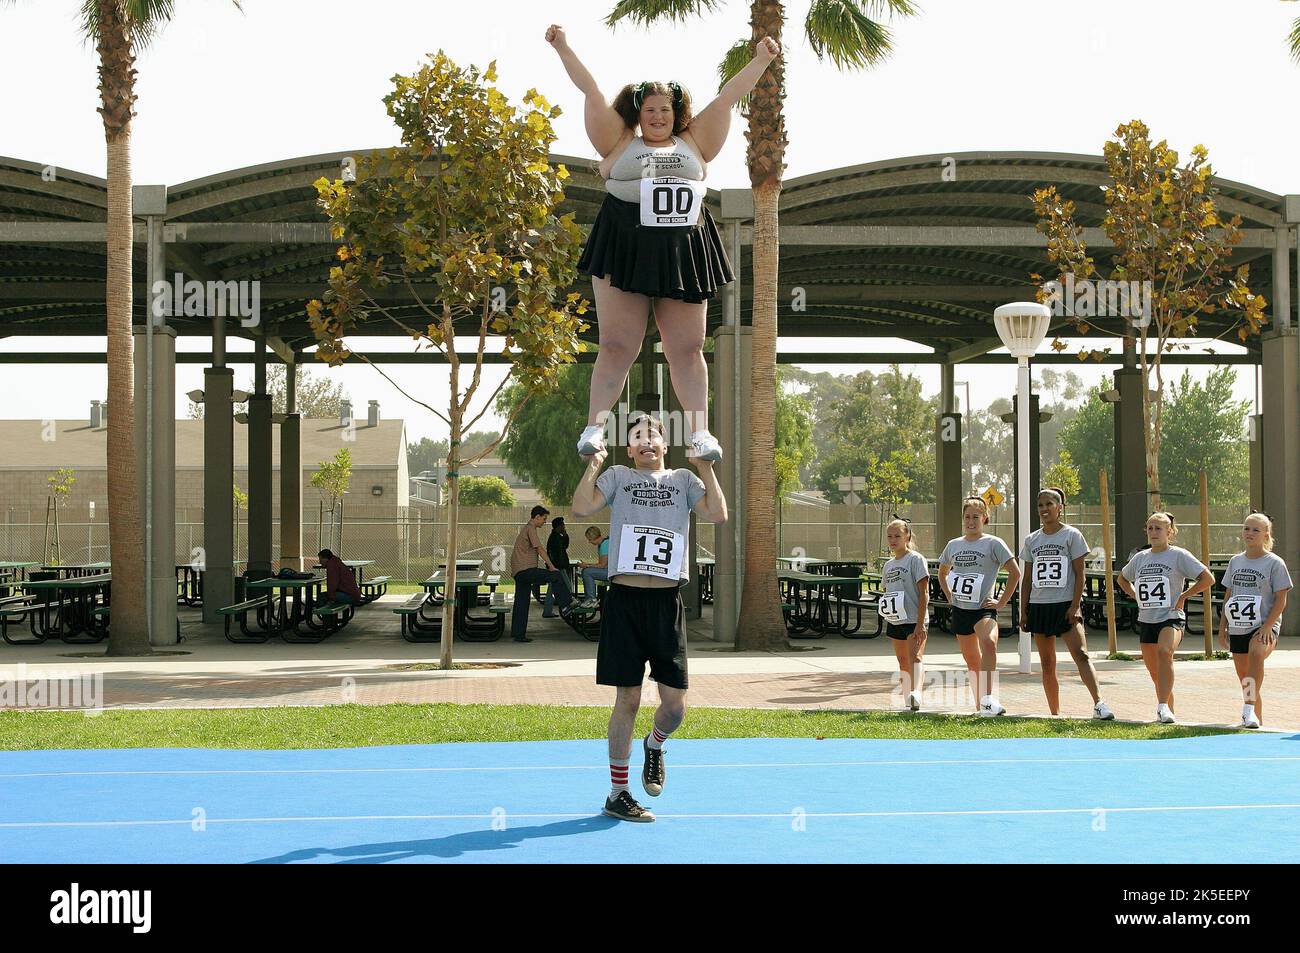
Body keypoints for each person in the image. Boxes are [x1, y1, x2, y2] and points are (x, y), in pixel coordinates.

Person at [545, 23, 780, 463]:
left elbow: (728, 97)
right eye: (650, 110)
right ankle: (594, 427)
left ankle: (700, 432)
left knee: (687, 347)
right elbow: (591, 90)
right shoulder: (619, 142)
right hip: (625, 241)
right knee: (618, 345)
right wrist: (564, 47)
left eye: (665, 110)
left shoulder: (694, 141)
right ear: (638, 113)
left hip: (684, 247)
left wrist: (762, 60)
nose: (657, 117)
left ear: (676, 114)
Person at [571, 412, 727, 823]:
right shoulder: (619, 476)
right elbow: (582, 507)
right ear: (628, 448)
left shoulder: (682, 480)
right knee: (628, 697)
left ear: (664, 444)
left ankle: (654, 745)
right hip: (624, 600)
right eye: (637, 436)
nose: (645, 441)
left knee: (674, 708)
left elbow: (717, 514)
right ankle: (617, 792)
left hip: (665, 604)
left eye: (652, 435)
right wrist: (594, 463)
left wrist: (706, 467)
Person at [1018, 488, 1113, 720]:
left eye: (1049, 504)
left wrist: (1075, 605)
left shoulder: (1072, 535)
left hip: (1065, 605)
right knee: (1047, 662)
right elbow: (1027, 578)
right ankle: (1054, 712)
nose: (1044, 509)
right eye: (1040, 505)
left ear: (1060, 508)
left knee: (1081, 654)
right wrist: (1023, 610)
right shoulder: (1032, 540)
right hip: (1040, 606)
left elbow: (1080, 574)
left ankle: (1099, 704)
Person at [1116, 512, 1216, 725]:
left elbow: (1207, 578)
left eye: (1159, 528)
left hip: (1171, 616)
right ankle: (1168, 709)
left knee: (1165, 652)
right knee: (1155, 672)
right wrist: (1135, 595)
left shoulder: (1179, 555)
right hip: (1147, 619)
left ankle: (1161, 706)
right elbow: (1122, 579)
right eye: (1150, 528)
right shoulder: (1140, 558)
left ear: (1169, 532)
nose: (1154, 532)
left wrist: (1184, 596)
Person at [938, 498, 1021, 716]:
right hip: (961, 610)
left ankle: (988, 698)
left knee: (989, 643)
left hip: (983, 609)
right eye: (967, 517)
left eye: (976, 517)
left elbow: (1015, 573)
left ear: (985, 518)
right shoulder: (953, 545)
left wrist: (1002, 602)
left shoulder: (994, 543)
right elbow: (942, 572)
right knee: (972, 662)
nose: (971, 521)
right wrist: (948, 594)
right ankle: (981, 706)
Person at [1218, 512, 1292, 728]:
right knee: (1246, 678)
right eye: (1246, 528)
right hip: (1239, 625)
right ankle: (1254, 718)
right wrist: (1222, 628)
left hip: (1263, 625)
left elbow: (1281, 598)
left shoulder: (1274, 563)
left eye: (1255, 530)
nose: (1249, 533)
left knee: (1256, 654)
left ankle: (1247, 710)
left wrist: (1269, 625)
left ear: (1266, 534)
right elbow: (1228, 596)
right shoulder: (1235, 561)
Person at [878, 518, 929, 712]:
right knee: (903, 660)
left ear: (907, 536)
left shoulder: (916, 559)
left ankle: (916, 692)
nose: (893, 540)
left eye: (897, 536)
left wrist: (920, 622)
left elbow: (924, 592)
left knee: (915, 656)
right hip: (896, 619)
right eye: (889, 536)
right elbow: (887, 591)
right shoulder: (888, 565)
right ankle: (909, 700)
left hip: (914, 618)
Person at [510, 505, 572, 643]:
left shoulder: (526, 528)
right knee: (555, 576)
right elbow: (540, 549)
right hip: (526, 570)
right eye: (544, 519)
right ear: (536, 517)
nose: (545, 522)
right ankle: (567, 604)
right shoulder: (531, 529)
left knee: (522, 602)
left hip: (519, 571)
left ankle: (518, 634)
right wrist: (551, 566)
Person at [543, 516, 574, 618]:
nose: (564, 527)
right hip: (557, 568)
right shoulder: (554, 538)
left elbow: (565, 545)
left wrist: (565, 535)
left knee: (552, 590)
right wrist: (557, 567)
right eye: (562, 525)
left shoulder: (557, 537)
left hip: (557, 567)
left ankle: (547, 611)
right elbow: (555, 555)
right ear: (559, 526)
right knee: (567, 587)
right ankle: (567, 608)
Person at [577, 525, 610, 604]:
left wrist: (587, 565)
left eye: (589, 539)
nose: (589, 542)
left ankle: (591, 599)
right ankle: (589, 598)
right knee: (587, 570)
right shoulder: (603, 543)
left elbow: (603, 565)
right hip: (609, 570)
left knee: (587, 572)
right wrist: (587, 565)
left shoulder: (605, 544)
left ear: (593, 537)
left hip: (612, 572)